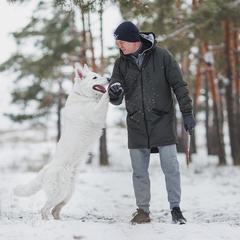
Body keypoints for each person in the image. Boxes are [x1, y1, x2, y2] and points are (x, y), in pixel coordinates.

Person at [108, 21, 196, 224]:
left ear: (133, 39)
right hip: (136, 123)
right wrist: (114, 93)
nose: (119, 45)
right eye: (117, 42)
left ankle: (175, 209)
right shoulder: (120, 63)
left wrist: (187, 113)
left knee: (171, 167)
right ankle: (143, 211)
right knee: (139, 172)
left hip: (162, 120)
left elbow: (179, 86)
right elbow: (115, 93)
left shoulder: (162, 56)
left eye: (122, 41)